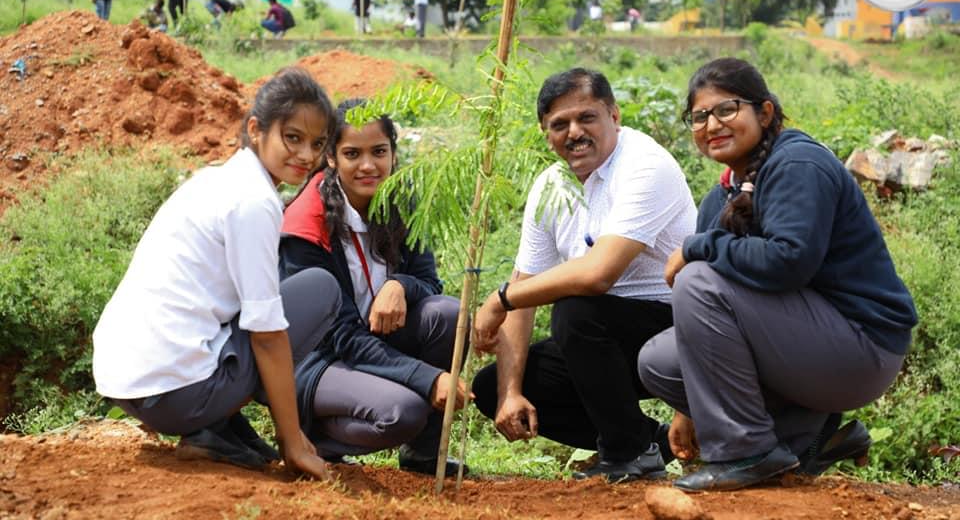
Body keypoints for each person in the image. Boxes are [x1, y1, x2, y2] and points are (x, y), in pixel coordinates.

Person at [637, 57, 918, 492]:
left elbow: (789, 262)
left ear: (764, 112)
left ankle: (744, 451)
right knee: (659, 362)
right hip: (809, 346)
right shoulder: (722, 196)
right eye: (699, 116)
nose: (712, 124)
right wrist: (691, 409)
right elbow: (714, 327)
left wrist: (695, 247)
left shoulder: (798, 165)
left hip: (862, 348)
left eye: (726, 110)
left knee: (697, 279)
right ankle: (809, 441)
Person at [92, 68, 339, 479]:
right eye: (292, 138)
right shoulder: (254, 202)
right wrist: (292, 441)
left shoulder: (215, 179)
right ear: (257, 129)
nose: (306, 155)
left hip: (129, 385)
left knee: (274, 293)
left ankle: (216, 426)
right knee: (319, 288)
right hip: (174, 397)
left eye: (317, 144)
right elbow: (266, 334)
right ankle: (208, 420)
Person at [470, 67, 698, 483]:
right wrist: (511, 393)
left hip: (680, 334)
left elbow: (598, 275)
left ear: (614, 115)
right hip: (605, 342)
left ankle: (625, 454)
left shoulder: (645, 166)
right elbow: (527, 285)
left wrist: (499, 299)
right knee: (491, 387)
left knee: (577, 309)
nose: (574, 132)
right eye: (560, 124)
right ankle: (650, 445)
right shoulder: (551, 186)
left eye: (586, 117)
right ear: (545, 133)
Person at [279, 100, 469, 476]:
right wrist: (427, 378)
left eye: (379, 152)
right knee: (401, 412)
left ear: (393, 154)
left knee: (447, 314)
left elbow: (430, 282)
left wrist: (398, 284)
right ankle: (313, 438)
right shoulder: (306, 222)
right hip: (321, 357)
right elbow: (340, 336)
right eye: (352, 153)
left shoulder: (401, 201)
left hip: (373, 342)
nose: (368, 165)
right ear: (330, 158)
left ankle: (424, 455)